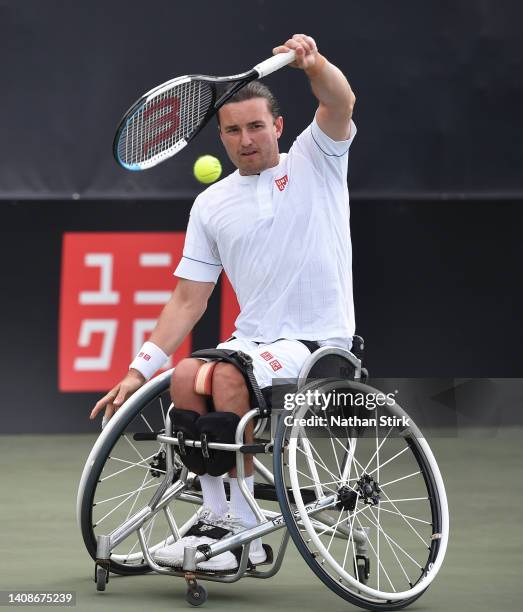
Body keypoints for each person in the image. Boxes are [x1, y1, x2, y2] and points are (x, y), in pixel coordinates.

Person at [90, 33, 357, 572]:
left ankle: (244, 533)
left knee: (229, 380)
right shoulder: (211, 204)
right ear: (221, 138)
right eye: (232, 130)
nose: (245, 139)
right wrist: (138, 372)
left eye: (256, 126)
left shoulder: (317, 159)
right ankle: (221, 521)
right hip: (253, 343)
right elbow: (188, 300)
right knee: (189, 375)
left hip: (319, 340)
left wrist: (313, 63)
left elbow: (340, 102)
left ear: (278, 127)